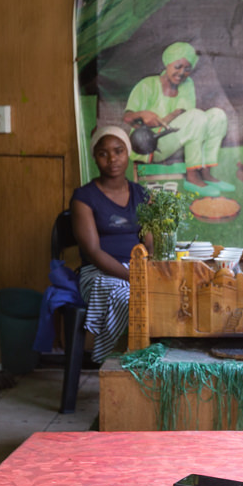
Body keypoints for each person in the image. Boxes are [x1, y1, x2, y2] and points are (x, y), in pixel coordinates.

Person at [70, 125, 152, 363]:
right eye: (103, 153)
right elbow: (93, 252)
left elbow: (150, 242)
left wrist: (145, 272)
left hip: (138, 270)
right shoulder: (84, 198)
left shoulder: (142, 195)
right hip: (98, 273)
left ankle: (148, 363)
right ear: (95, 157)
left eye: (118, 151)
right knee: (129, 299)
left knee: (161, 297)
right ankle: (122, 362)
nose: (112, 158)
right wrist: (134, 277)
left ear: (128, 154)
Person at [122, 41, 234, 197]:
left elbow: (184, 114)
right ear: (167, 64)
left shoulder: (187, 84)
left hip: (173, 139)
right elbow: (127, 117)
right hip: (150, 146)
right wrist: (142, 114)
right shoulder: (147, 85)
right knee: (196, 116)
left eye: (187, 69)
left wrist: (167, 117)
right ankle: (192, 177)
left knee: (217, 115)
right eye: (177, 67)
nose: (182, 73)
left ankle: (206, 173)